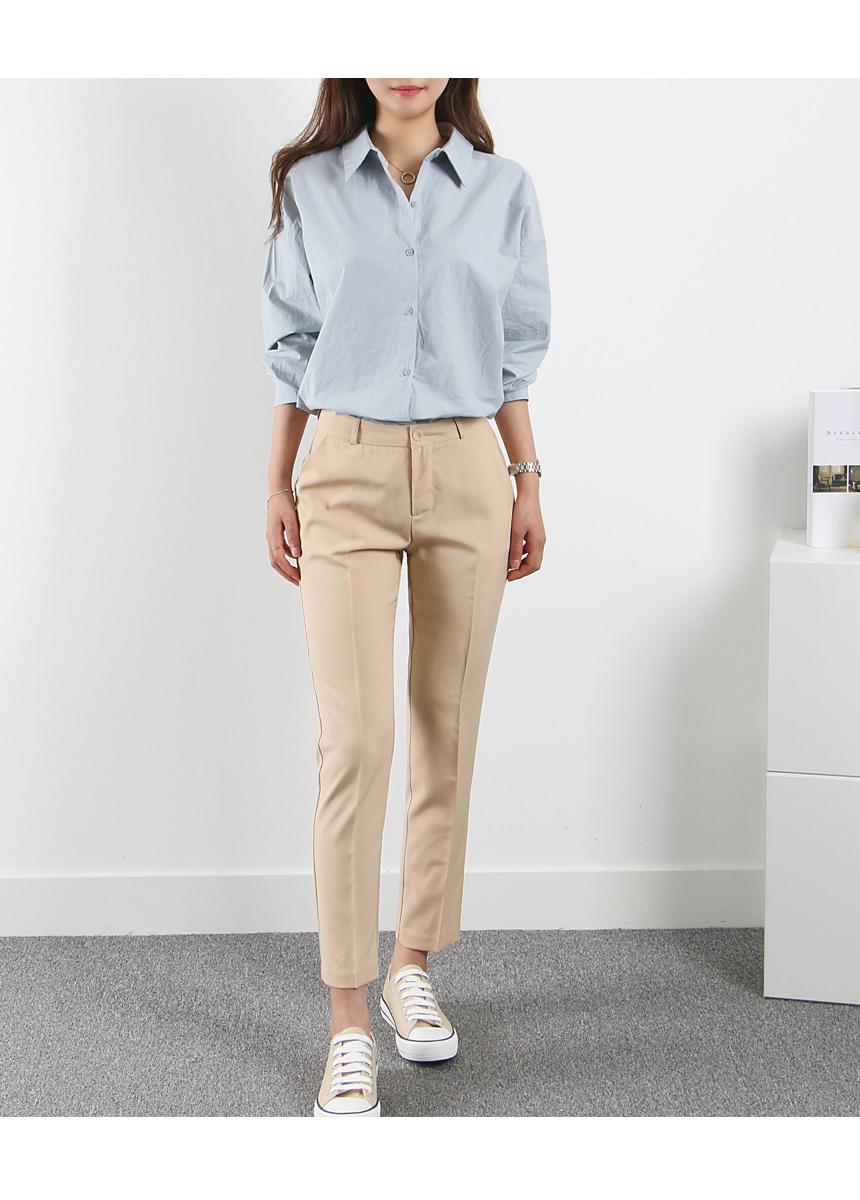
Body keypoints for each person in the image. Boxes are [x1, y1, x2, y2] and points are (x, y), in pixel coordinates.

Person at [261, 78, 551, 1117]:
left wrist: (527, 480)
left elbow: (514, 350)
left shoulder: (503, 189)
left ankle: (410, 965)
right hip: (343, 466)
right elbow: (292, 346)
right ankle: (347, 1019)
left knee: (444, 726)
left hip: (470, 467)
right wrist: (277, 485)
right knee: (356, 741)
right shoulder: (309, 186)